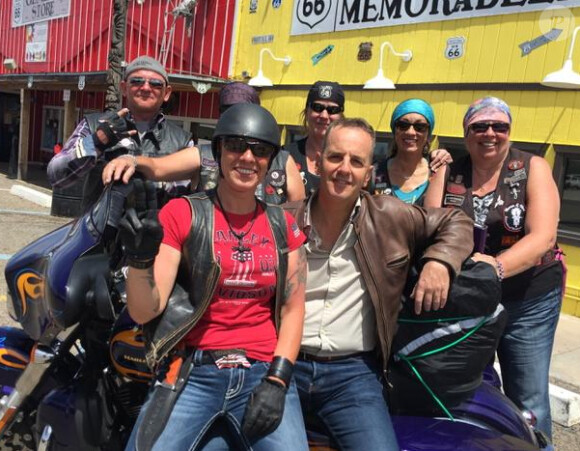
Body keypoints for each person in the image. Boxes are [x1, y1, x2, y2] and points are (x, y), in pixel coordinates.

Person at [121, 103, 309, 450]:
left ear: (271, 160)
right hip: (195, 370)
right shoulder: (183, 213)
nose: (248, 158)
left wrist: (278, 380)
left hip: (261, 369)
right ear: (219, 151)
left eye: (260, 150)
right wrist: (139, 261)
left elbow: (292, 310)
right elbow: (145, 310)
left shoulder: (283, 225)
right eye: (236, 146)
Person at [284, 118, 474, 449]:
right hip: (285, 365)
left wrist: (440, 261)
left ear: (368, 173)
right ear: (318, 162)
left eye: (356, 161)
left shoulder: (390, 216)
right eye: (335, 157)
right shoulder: (283, 219)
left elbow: (455, 221)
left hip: (352, 375)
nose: (344, 169)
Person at [423, 96, 563, 439]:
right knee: (469, 386)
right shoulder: (448, 169)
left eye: (499, 126)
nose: (490, 133)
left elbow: (543, 236)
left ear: (509, 132)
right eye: (480, 126)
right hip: (468, 298)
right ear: (466, 132)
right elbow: (430, 228)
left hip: (528, 297)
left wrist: (495, 268)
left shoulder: (533, 167)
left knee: (528, 394)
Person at [102, 82, 305, 204]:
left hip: (262, 254)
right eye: (228, 110)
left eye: (242, 109)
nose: (235, 118)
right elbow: (158, 167)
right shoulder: (206, 153)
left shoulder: (280, 158)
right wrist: (132, 160)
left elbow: (297, 210)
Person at [47, 55, 193, 211]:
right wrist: (97, 141)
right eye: (137, 81)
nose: (145, 87)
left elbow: (186, 201)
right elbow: (57, 175)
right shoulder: (95, 124)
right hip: (99, 233)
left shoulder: (183, 141)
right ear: (124, 88)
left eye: (156, 84)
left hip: (156, 233)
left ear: (166, 93)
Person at [371, 98, 450, 205]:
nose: (410, 132)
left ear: (428, 134)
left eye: (420, 127)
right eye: (403, 125)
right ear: (394, 131)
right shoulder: (375, 173)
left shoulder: (438, 172)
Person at [286, 81, 345, 196]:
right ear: (307, 111)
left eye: (332, 110)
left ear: (341, 116)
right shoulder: (286, 156)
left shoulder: (348, 160)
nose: (324, 115)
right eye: (317, 107)